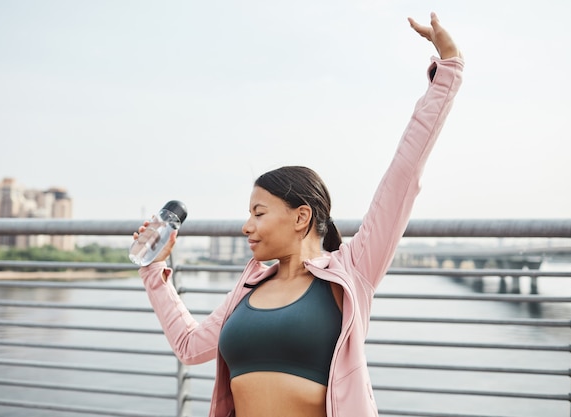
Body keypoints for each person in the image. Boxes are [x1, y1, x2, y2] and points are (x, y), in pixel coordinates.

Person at [134, 12, 464, 417]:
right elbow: (189, 346)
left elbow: (404, 172)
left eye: (258, 212)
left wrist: (448, 72)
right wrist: (154, 269)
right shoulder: (248, 287)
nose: (246, 226)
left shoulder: (352, 270)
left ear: (300, 217)